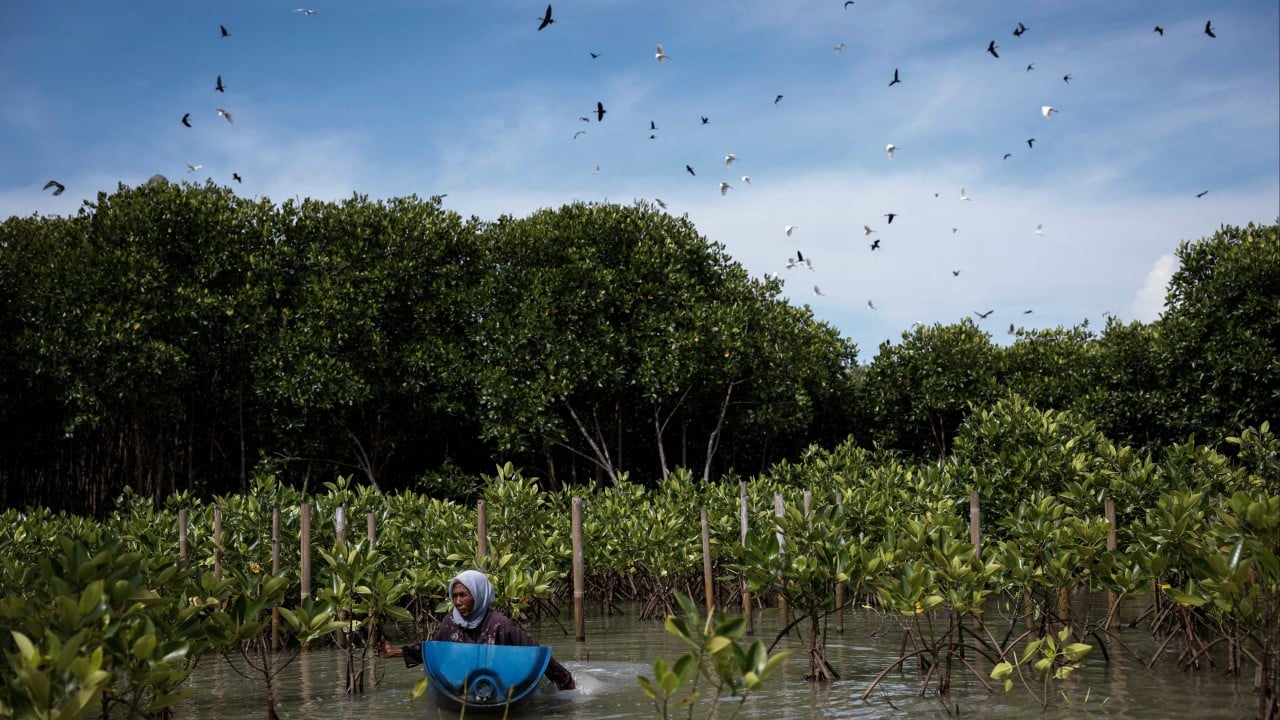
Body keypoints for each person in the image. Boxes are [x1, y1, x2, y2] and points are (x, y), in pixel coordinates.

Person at [383, 569, 575, 691]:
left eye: (464, 595)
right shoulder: (450, 623)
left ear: (479, 595)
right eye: (455, 596)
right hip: (464, 685)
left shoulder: (500, 623)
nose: (458, 602)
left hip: (499, 685)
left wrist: (565, 681)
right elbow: (434, 650)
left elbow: (535, 652)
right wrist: (394, 653)